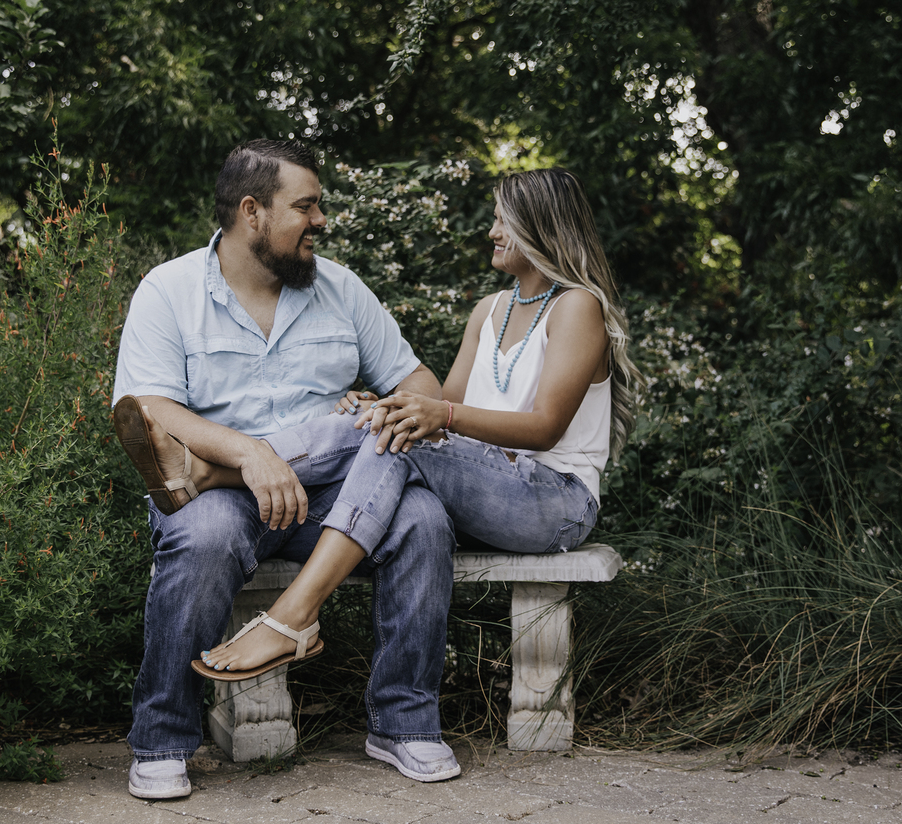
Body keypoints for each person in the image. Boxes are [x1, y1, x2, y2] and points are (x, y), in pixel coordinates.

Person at [123, 168, 640, 715]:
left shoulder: (578, 305)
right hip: (488, 485)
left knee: (395, 437)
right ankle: (257, 557)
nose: (492, 231)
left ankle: (258, 555)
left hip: (552, 501)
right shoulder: (490, 310)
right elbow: (442, 421)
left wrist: (425, 412)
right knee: (389, 430)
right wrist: (385, 409)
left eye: (503, 220)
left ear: (541, 227)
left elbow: (542, 428)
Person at [111, 139, 461, 800]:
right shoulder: (170, 289)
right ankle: (162, 738)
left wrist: (386, 404)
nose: (321, 220)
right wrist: (247, 451)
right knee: (203, 534)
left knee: (419, 517)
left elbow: (418, 381)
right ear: (253, 213)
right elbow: (148, 404)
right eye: (306, 206)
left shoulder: (341, 290)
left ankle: (403, 724)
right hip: (228, 494)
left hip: (331, 498)